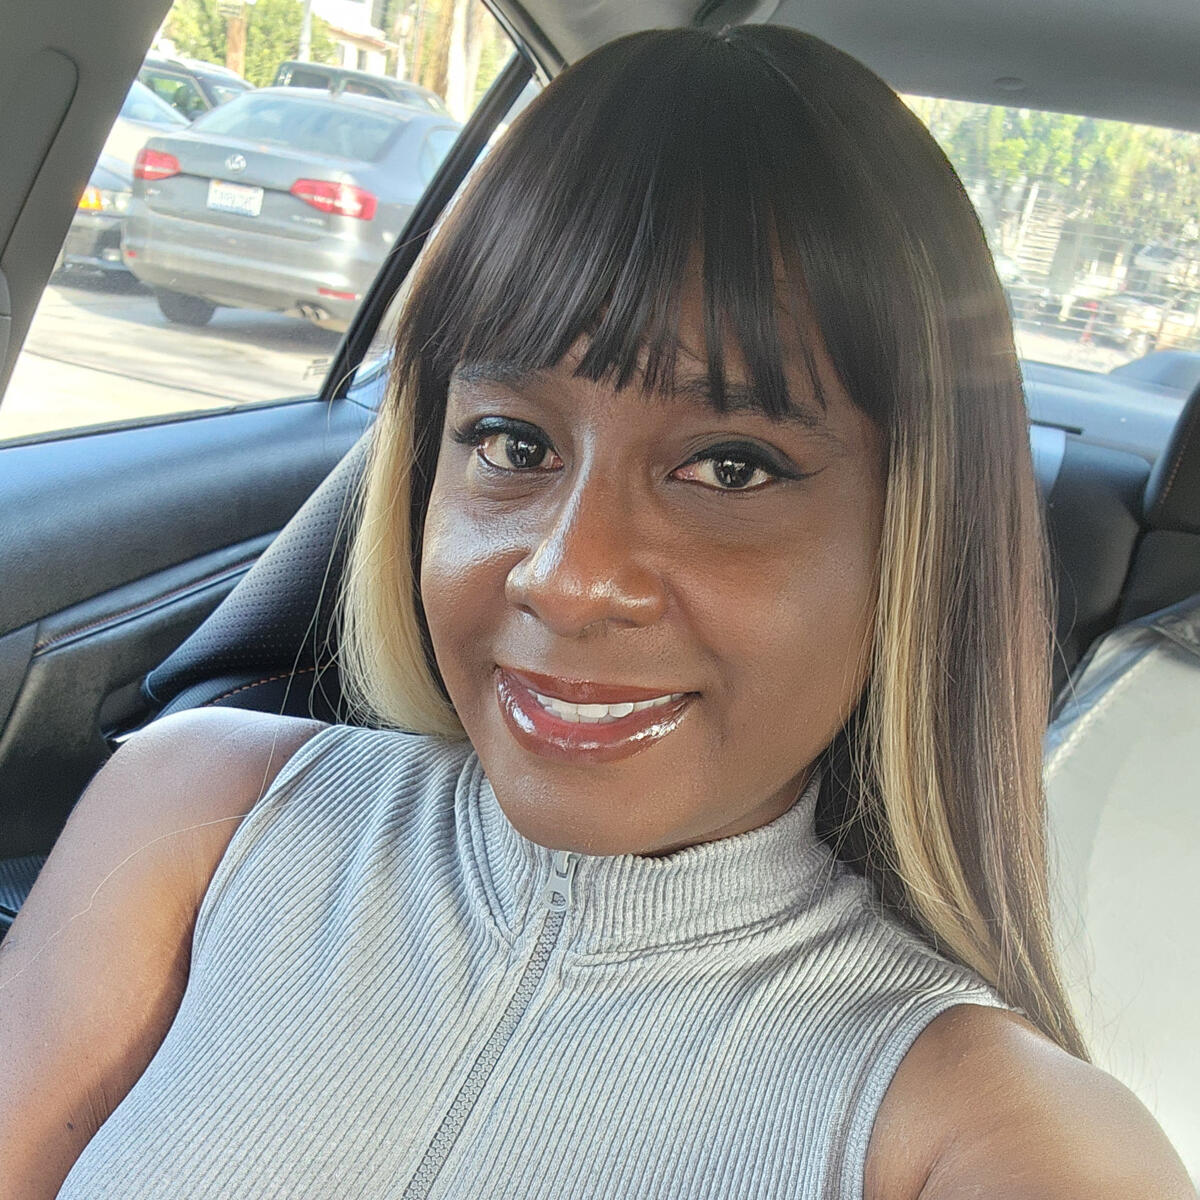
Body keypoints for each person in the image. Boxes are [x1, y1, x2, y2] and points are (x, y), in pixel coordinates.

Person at [0, 24, 1193, 1200]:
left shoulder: (1001, 1136)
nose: (565, 579)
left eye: (731, 466)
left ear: (911, 551)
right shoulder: (194, 811)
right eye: (512, 443)